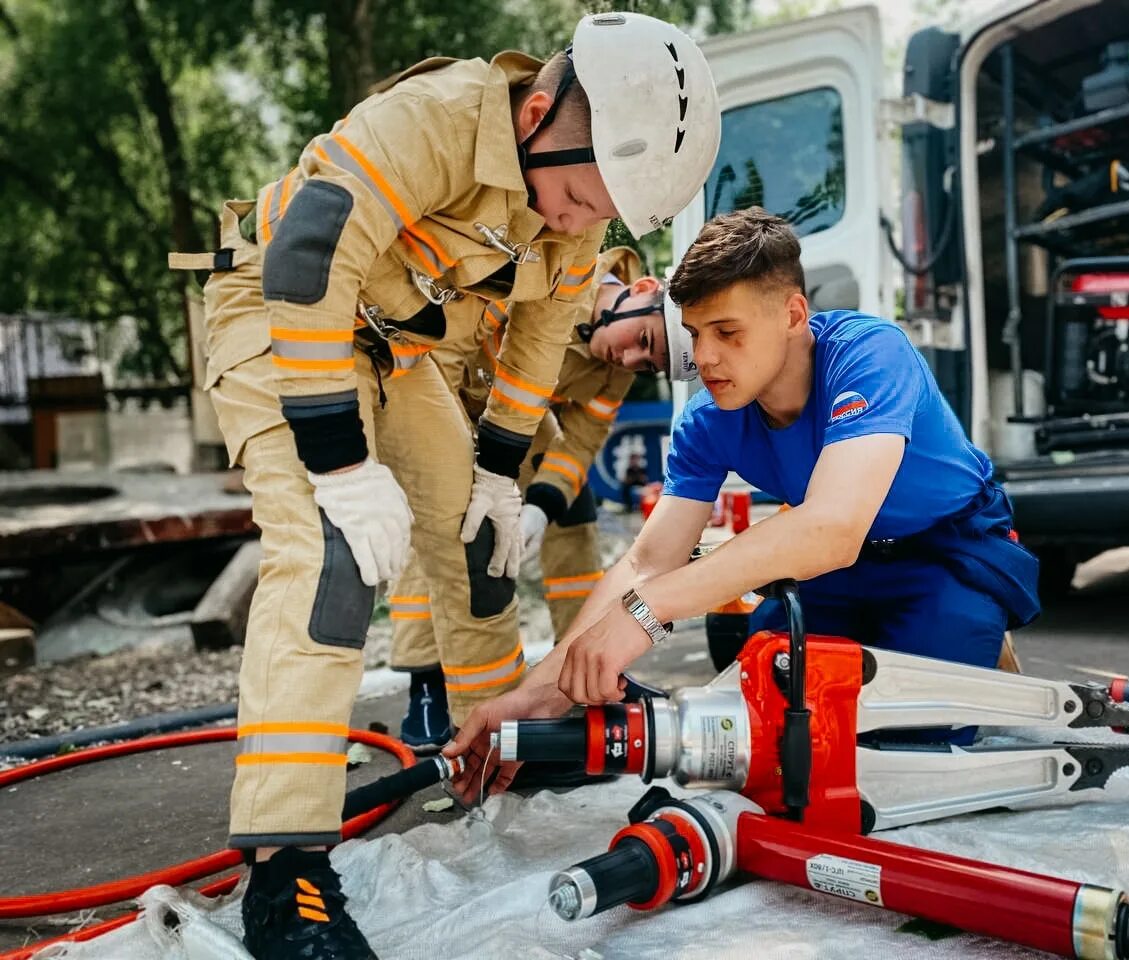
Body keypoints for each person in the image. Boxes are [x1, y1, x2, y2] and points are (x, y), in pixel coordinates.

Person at [169, 13, 719, 959]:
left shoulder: (575, 210)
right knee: (332, 558)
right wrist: (341, 460)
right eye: (579, 194)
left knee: (477, 540)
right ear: (539, 111)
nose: (580, 223)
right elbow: (310, 256)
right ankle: (284, 867)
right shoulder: (436, 117)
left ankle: (491, 742)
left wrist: (503, 475)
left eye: (602, 215)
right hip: (277, 304)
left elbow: (543, 337)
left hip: (394, 344)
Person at [446, 207, 1040, 798]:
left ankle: (980, 640)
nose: (704, 358)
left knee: (908, 759)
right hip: (840, 574)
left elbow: (830, 528)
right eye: (696, 333)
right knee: (763, 735)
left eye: (728, 333)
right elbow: (648, 561)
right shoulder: (708, 417)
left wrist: (642, 613)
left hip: (945, 555)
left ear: (793, 314)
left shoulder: (870, 353)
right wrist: (542, 690)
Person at [389, 245, 698, 752]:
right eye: (642, 340)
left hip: (511, 421)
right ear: (642, 292)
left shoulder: (616, 368)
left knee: (573, 508)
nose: (629, 359)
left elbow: (579, 442)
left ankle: (579, 668)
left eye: (648, 363)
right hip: (442, 396)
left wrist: (539, 508)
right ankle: (426, 687)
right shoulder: (554, 278)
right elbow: (442, 348)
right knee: (448, 522)